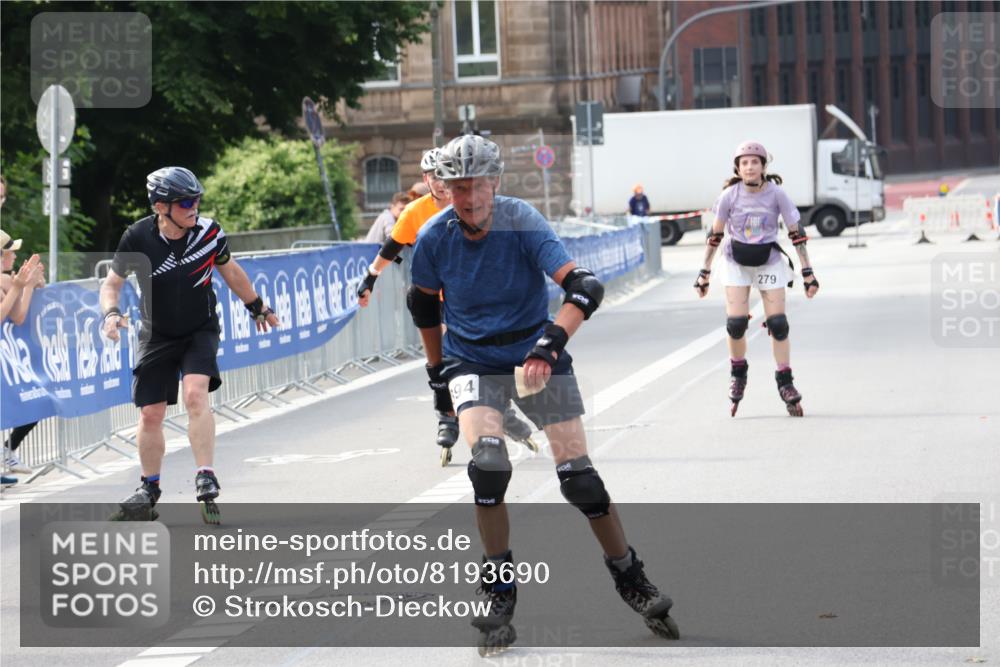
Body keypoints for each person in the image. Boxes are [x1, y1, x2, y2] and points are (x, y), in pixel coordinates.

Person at [410, 134, 679, 654]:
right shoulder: (432, 237)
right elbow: (423, 309)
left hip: (536, 353)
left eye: (478, 186)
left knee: (578, 478)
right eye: (458, 187)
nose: (469, 198)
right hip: (473, 361)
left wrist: (549, 347)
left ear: (496, 182)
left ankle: (630, 577)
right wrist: (437, 375)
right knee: (487, 466)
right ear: (444, 189)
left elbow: (584, 288)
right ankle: (498, 591)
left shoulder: (522, 221)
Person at [100, 167, 280, 523]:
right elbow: (112, 284)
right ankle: (149, 489)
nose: (193, 207)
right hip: (156, 334)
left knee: (195, 394)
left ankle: (205, 474)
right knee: (151, 413)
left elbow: (231, 271)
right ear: (160, 206)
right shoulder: (137, 237)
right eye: (185, 201)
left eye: (196, 199)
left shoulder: (210, 232)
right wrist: (110, 314)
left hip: (200, 329)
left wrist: (257, 305)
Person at [357, 148, 537, 464]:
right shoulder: (416, 211)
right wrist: (371, 277)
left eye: (443, 177)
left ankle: (501, 407)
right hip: (436, 298)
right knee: (445, 355)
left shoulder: (476, 203)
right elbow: (392, 247)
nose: (438, 183)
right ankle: (447, 409)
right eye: (431, 177)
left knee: (490, 353)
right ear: (426, 180)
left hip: (472, 297)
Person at [693, 140, 819, 417]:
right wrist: (704, 272)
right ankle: (738, 371)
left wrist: (807, 272)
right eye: (744, 162)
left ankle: (785, 382)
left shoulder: (777, 194)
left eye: (755, 162)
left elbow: (796, 234)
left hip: (769, 260)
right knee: (736, 324)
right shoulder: (729, 195)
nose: (750, 166)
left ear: (763, 166)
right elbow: (714, 236)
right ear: (738, 168)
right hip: (736, 261)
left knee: (779, 323)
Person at [1, 228, 46, 477]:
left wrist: (29, 285)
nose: (15, 258)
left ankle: (7, 450)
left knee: (36, 400)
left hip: (10, 361)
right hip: (7, 361)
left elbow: (17, 316)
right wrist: (21, 286)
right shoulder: (6, 281)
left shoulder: (6, 280)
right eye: (11, 252)